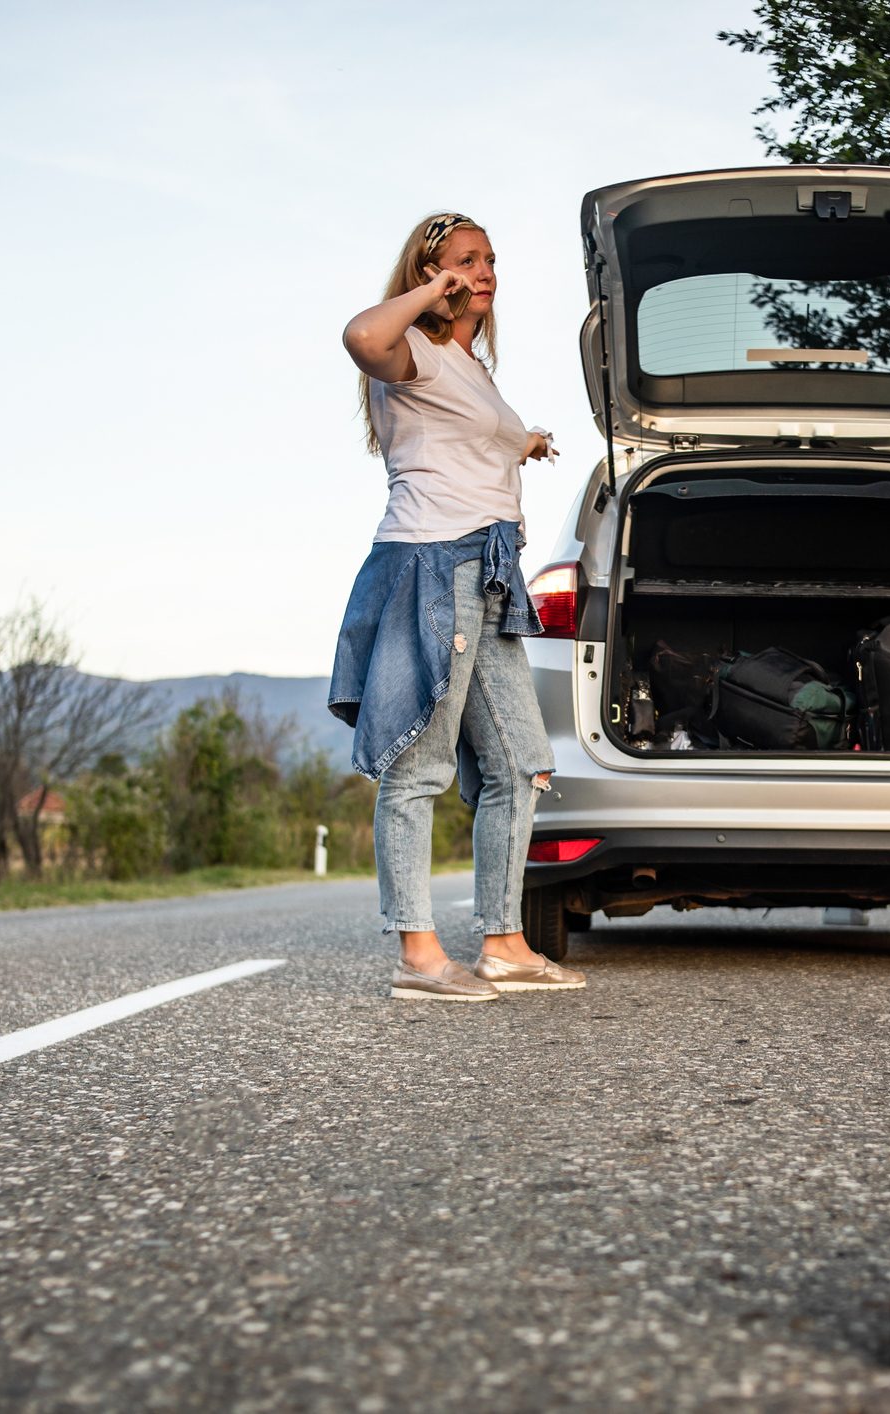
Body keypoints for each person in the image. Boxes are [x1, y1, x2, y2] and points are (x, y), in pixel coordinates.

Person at [328, 211, 585, 1002]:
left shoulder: (470, 367)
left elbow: (481, 437)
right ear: (428, 271)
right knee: (419, 766)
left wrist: (528, 441)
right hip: (432, 566)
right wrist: (427, 291)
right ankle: (417, 952)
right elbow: (361, 337)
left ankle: (504, 945)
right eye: (463, 262)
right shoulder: (412, 352)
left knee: (519, 765)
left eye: (488, 261)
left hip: (488, 574)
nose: (481, 273)